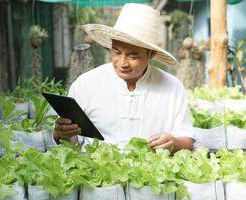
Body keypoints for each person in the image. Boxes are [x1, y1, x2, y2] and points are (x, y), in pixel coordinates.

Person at [47, 3, 195, 153]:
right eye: (116, 52)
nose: (122, 63)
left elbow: (187, 139)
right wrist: (62, 133)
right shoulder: (85, 84)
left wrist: (174, 143)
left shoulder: (172, 87)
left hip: (150, 173)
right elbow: (70, 142)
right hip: (95, 172)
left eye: (133, 55)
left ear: (151, 54)